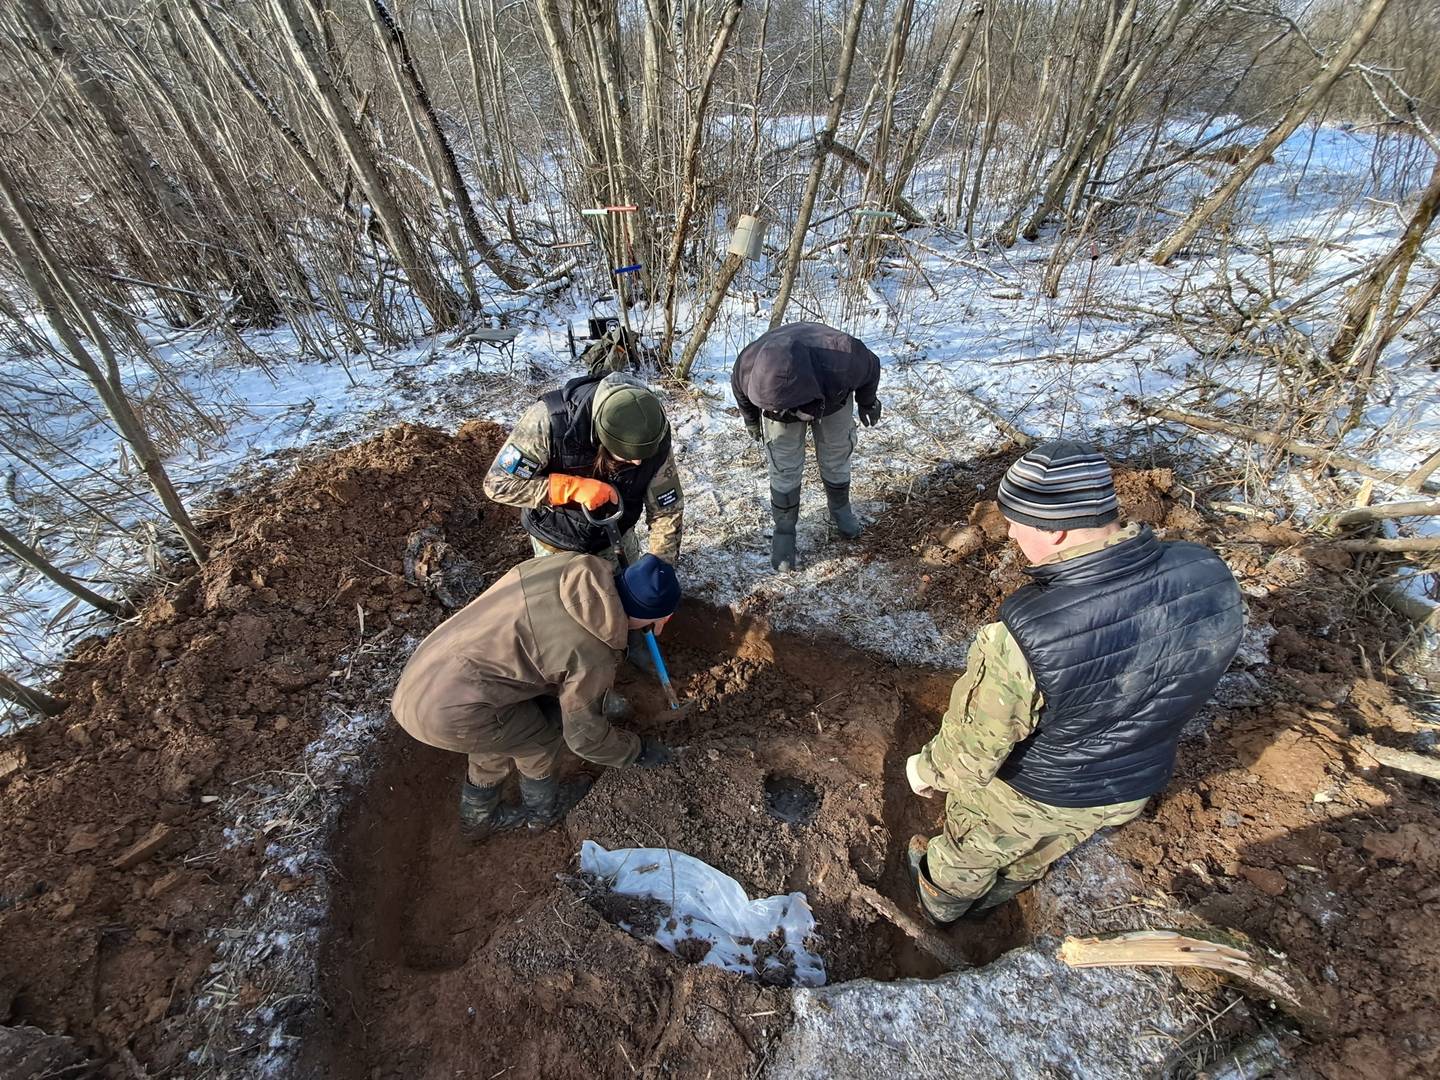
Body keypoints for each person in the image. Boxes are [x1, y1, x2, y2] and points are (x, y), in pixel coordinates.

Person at [905, 441, 1244, 924]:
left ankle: (942, 906)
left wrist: (925, 771)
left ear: (1057, 530)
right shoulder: (1206, 571)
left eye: (1016, 522)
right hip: (1130, 784)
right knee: (1042, 851)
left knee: (971, 851)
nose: (1012, 535)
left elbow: (970, 755)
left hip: (1034, 792)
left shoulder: (1029, 634)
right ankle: (1005, 892)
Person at [390, 551, 680, 839]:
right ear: (657, 618)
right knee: (539, 739)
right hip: (449, 711)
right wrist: (637, 751)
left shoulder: (564, 567)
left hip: (426, 672)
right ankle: (542, 813)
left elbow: (544, 648)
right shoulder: (593, 652)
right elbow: (584, 739)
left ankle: (476, 820)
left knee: (500, 737)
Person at [484, 371, 683, 567]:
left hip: (618, 542)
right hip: (556, 547)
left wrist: (660, 565)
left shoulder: (653, 427)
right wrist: (569, 488)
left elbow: (666, 508)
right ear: (601, 439)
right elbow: (498, 484)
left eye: (644, 456)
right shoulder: (549, 422)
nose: (638, 463)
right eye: (627, 456)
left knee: (624, 595)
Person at [731, 322, 882, 571]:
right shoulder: (749, 364)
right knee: (784, 463)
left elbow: (871, 366)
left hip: (831, 394)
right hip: (776, 400)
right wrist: (751, 421)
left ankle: (840, 509)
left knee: (836, 450)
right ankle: (785, 529)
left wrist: (868, 402)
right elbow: (740, 391)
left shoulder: (844, 356)